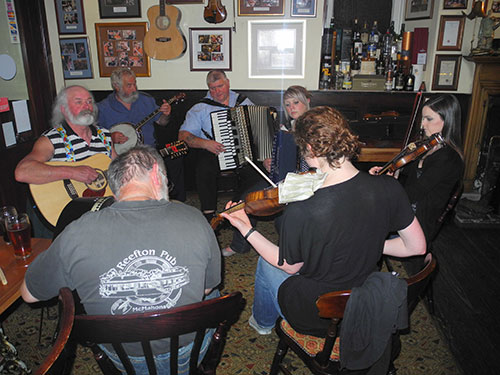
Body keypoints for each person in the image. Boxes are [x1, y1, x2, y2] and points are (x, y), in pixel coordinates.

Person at [221, 106, 426, 337]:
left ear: (309, 148)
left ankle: (262, 324)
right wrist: (366, 240)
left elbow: (290, 266)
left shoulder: (301, 208)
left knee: (266, 264)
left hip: (320, 312)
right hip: (366, 297)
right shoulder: (389, 186)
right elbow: (416, 247)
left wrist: (246, 229)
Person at [20, 145, 221, 374]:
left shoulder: (78, 231)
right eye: (166, 178)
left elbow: (29, 294)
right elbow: (206, 288)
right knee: (213, 294)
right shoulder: (194, 218)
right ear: (156, 174)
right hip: (186, 350)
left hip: (121, 356)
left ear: (114, 188)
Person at [370, 95, 464, 274]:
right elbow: (406, 179)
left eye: (429, 119)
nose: (422, 125)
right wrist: (392, 171)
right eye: (422, 118)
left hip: (417, 223)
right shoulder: (426, 148)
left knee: (364, 223)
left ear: (448, 121)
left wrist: (384, 188)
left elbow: (412, 194)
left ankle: (366, 269)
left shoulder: (449, 159)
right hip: (406, 211)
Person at [221, 85, 312, 257]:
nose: (291, 108)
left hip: (305, 183)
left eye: (296, 103)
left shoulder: (316, 127)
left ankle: (287, 255)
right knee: (245, 199)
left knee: (284, 219)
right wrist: (270, 162)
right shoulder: (287, 127)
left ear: (307, 101)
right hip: (281, 180)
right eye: (287, 104)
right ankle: (239, 245)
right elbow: (278, 155)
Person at [15, 85, 115, 237]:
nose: (86, 106)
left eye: (89, 101)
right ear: (63, 109)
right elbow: (22, 172)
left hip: (96, 217)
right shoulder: (51, 139)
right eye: (78, 102)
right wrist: (72, 172)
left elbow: (120, 169)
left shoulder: (105, 136)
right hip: (64, 218)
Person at [97, 68, 185, 201]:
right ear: (116, 86)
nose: (134, 88)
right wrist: (110, 137)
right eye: (129, 85)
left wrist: (166, 114)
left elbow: (162, 122)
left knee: (176, 158)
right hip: (120, 157)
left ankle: (175, 203)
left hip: (149, 151)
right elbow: (93, 134)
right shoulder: (103, 108)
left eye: (135, 83)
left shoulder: (145, 100)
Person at [178, 70, 253, 221]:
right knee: (204, 168)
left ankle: (238, 207)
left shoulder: (243, 102)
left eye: (220, 86)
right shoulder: (200, 108)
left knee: (256, 170)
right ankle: (209, 214)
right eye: (212, 88)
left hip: (243, 150)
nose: (217, 92)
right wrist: (206, 144)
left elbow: (256, 126)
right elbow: (183, 136)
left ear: (228, 83)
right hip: (214, 152)